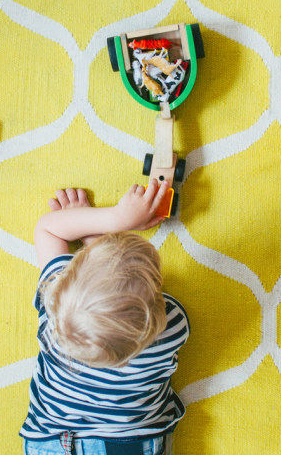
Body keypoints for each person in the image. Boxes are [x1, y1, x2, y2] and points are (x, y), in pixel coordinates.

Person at [21, 177, 190, 455]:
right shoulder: (171, 325)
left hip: (58, 435)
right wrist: (98, 237)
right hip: (132, 439)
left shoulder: (56, 307)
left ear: (67, 279)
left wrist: (113, 219)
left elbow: (48, 229)